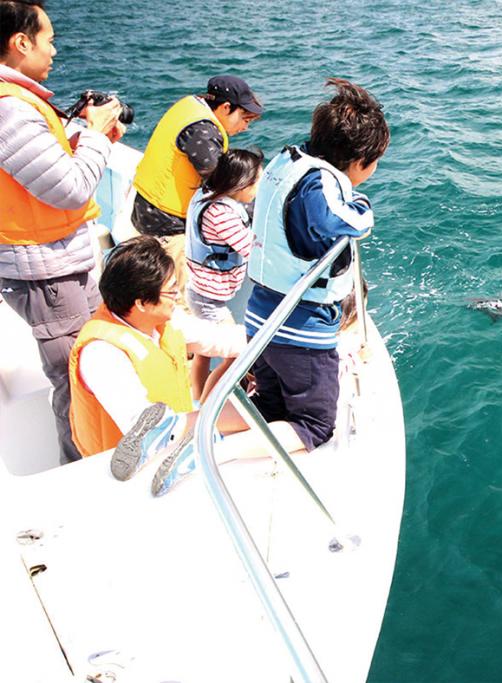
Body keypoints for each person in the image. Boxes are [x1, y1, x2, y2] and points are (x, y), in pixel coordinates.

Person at [66, 236, 304, 495]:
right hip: (128, 479)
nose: (179, 296)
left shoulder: (162, 321)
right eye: (171, 291)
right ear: (142, 303)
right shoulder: (101, 355)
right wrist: (243, 417)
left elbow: (224, 341)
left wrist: (294, 343)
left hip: (176, 442)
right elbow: (148, 433)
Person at [0, 0, 125, 464]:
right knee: (78, 377)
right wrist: (92, 135)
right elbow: (71, 188)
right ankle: (82, 476)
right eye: (49, 39)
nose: (54, 50)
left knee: (92, 363)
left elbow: (38, 172)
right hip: (48, 275)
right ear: (21, 42)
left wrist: (79, 139)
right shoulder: (11, 109)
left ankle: (97, 456)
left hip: (56, 266)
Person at [241, 78, 388, 457]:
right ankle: (204, 450)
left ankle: (184, 429)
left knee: (269, 406)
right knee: (315, 426)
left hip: (260, 315)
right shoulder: (319, 184)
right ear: (360, 162)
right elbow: (340, 220)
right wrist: (363, 209)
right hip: (299, 328)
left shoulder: (288, 161)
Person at [131, 75, 263, 303]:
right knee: (177, 300)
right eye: (245, 118)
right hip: (167, 226)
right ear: (225, 107)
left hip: (144, 209)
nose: (245, 127)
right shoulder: (202, 131)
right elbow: (224, 184)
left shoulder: (190, 107)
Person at [184, 148, 263, 400]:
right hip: (210, 301)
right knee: (236, 353)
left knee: (204, 353)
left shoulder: (205, 196)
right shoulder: (222, 214)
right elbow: (251, 249)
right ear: (240, 185)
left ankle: (198, 400)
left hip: (199, 291)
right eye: (257, 182)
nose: (259, 188)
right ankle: (206, 410)